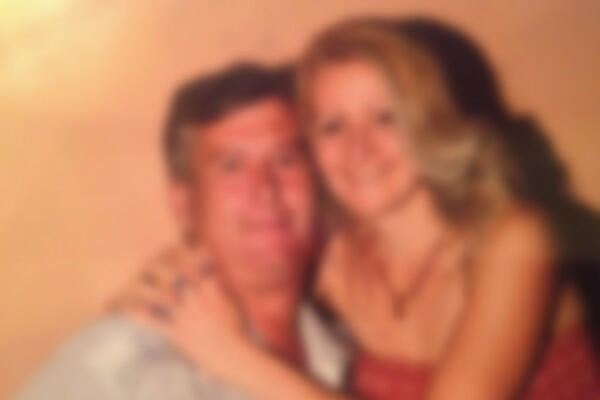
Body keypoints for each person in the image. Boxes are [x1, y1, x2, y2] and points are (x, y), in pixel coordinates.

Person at [125, 19, 600, 400]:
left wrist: (233, 356)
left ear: (428, 120)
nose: (359, 148)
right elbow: (241, 252)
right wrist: (170, 281)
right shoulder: (337, 261)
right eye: (333, 126)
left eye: (386, 118)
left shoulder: (513, 238)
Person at [15, 63, 348, 400]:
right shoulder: (121, 366)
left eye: (286, 159)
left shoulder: (348, 351)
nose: (266, 189)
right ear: (184, 204)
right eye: (232, 166)